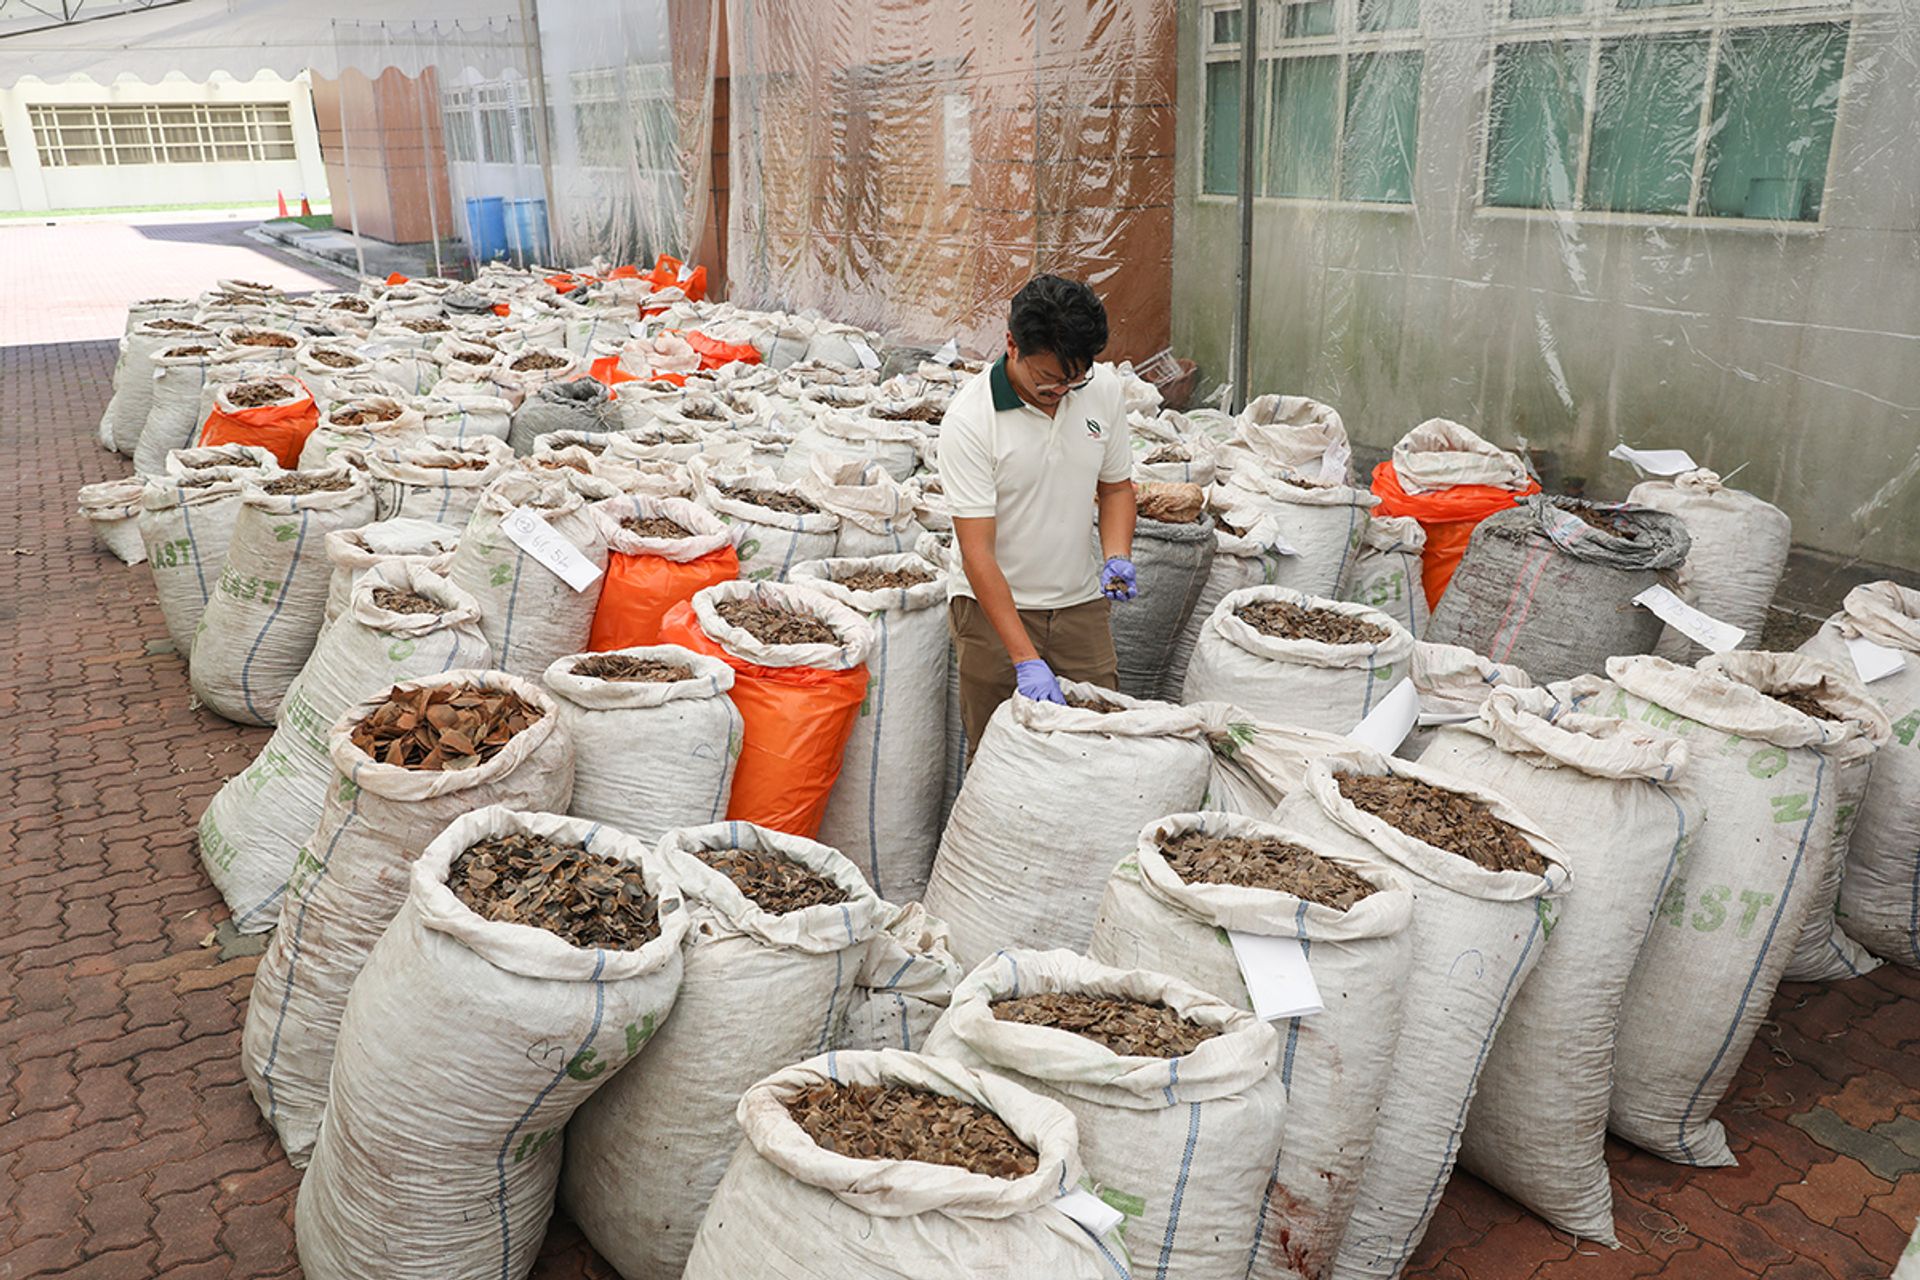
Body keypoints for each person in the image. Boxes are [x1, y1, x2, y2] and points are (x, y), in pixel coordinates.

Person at [938, 274, 1138, 755]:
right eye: (1048, 381)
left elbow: (1115, 489)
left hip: (1078, 605)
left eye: (1075, 379)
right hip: (991, 612)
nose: (1063, 391)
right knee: (999, 756)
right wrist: (1024, 658)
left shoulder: (1101, 390)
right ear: (1011, 344)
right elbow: (977, 553)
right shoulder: (970, 421)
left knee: (1099, 747)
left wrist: (1116, 554)